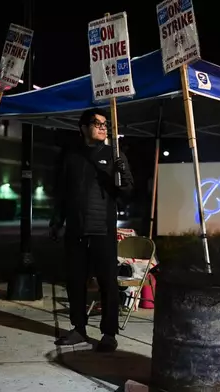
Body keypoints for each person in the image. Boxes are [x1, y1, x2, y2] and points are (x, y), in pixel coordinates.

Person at [49, 108, 134, 352]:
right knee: (75, 282)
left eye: (105, 124)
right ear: (83, 128)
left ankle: (109, 333)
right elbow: (62, 192)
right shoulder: (71, 155)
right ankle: (78, 328)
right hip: (76, 229)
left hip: (102, 230)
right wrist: (57, 221)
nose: (102, 127)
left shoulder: (114, 154)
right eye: (96, 123)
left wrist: (122, 172)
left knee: (108, 282)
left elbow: (127, 192)